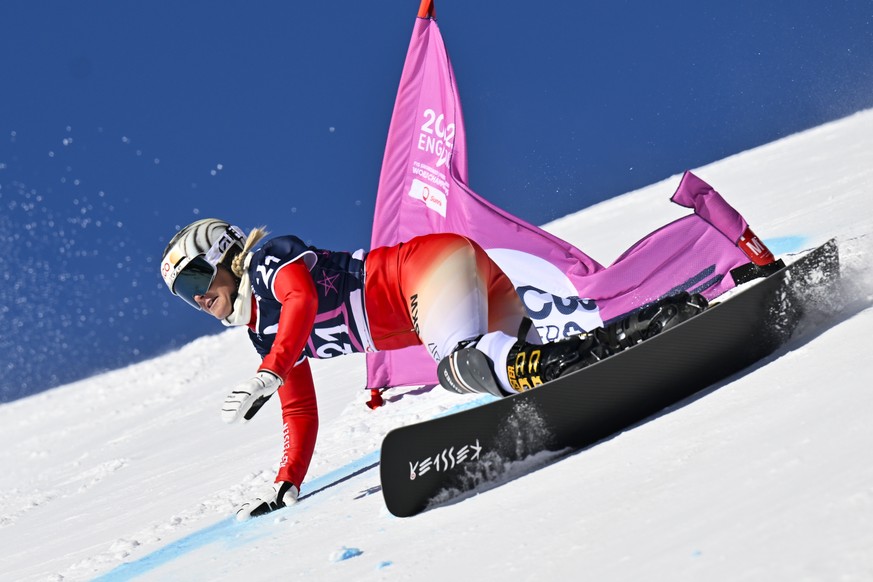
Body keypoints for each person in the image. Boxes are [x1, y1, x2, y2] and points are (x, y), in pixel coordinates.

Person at [160, 219, 704, 519]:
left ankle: (596, 351)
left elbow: (300, 299)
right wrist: (287, 481)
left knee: (463, 366)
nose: (199, 298)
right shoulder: (262, 329)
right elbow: (299, 408)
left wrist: (274, 366)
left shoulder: (268, 260)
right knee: (521, 371)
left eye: (196, 281)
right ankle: (654, 325)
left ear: (225, 254)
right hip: (458, 282)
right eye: (186, 296)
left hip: (428, 269)